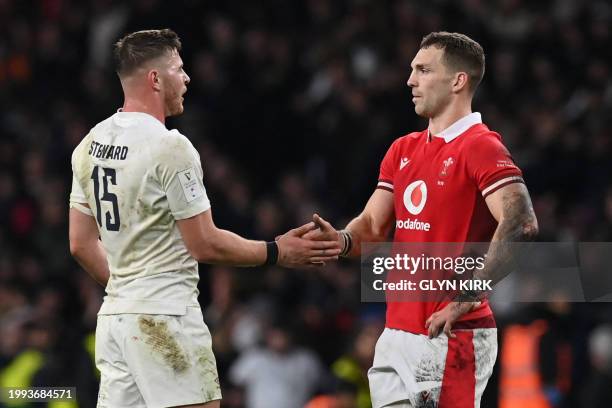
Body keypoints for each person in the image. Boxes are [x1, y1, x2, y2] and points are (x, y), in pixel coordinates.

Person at [68, 29, 340, 408]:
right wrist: (278, 251)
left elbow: (80, 243)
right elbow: (204, 243)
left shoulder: (90, 144)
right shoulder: (170, 147)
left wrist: (129, 290)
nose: (187, 77)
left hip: (116, 319)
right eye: (179, 69)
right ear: (155, 79)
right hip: (166, 317)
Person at [307, 32, 538, 407]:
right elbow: (371, 227)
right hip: (397, 331)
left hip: (451, 333)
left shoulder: (480, 146)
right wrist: (341, 240)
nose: (410, 80)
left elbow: (521, 223)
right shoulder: (403, 149)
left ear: (458, 81)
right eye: (412, 70)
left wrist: (465, 299)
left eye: (423, 70)